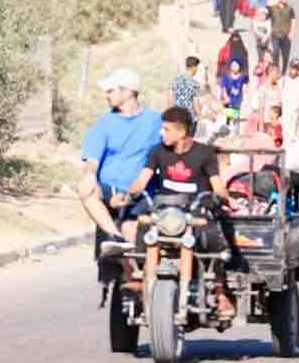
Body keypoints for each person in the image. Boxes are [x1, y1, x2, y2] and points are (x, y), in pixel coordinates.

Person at [124, 107, 236, 319]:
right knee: (143, 225)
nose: (161, 133)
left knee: (215, 238)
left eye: (166, 129)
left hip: (196, 213)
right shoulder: (158, 152)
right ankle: (141, 277)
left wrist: (223, 197)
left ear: (181, 132)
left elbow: (216, 184)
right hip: (165, 213)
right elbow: (142, 180)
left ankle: (220, 292)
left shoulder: (205, 154)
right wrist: (127, 194)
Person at [78, 68, 163, 255]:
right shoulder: (104, 123)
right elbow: (92, 160)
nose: (106, 95)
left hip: (142, 190)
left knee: (134, 234)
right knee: (86, 187)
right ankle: (114, 235)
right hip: (111, 188)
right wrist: (90, 175)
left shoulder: (156, 121)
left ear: (128, 92)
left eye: (111, 90)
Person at [168, 55, 203, 133]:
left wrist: (170, 115)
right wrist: (200, 116)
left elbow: (170, 98)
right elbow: (196, 103)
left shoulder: (175, 80)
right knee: (188, 142)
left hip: (177, 118)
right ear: (194, 67)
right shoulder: (195, 84)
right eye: (197, 67)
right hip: (190, 118)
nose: (197, 70)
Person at [269, 0, 296, 74]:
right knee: (276, 52)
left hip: (286, 35)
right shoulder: (272, 8)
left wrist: (291, 33)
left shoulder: (290, 9)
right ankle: (276, 70)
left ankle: (283, 73)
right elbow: (265, 19)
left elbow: (293, 20)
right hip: (275, 34)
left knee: (285, 56)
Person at [280, 58, 299, 140]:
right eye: (292, 68)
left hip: (297, 115)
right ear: (289, 67)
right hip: (285, 114)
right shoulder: (283, 80)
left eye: (296, 68)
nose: (294, 71)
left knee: (296, 139)